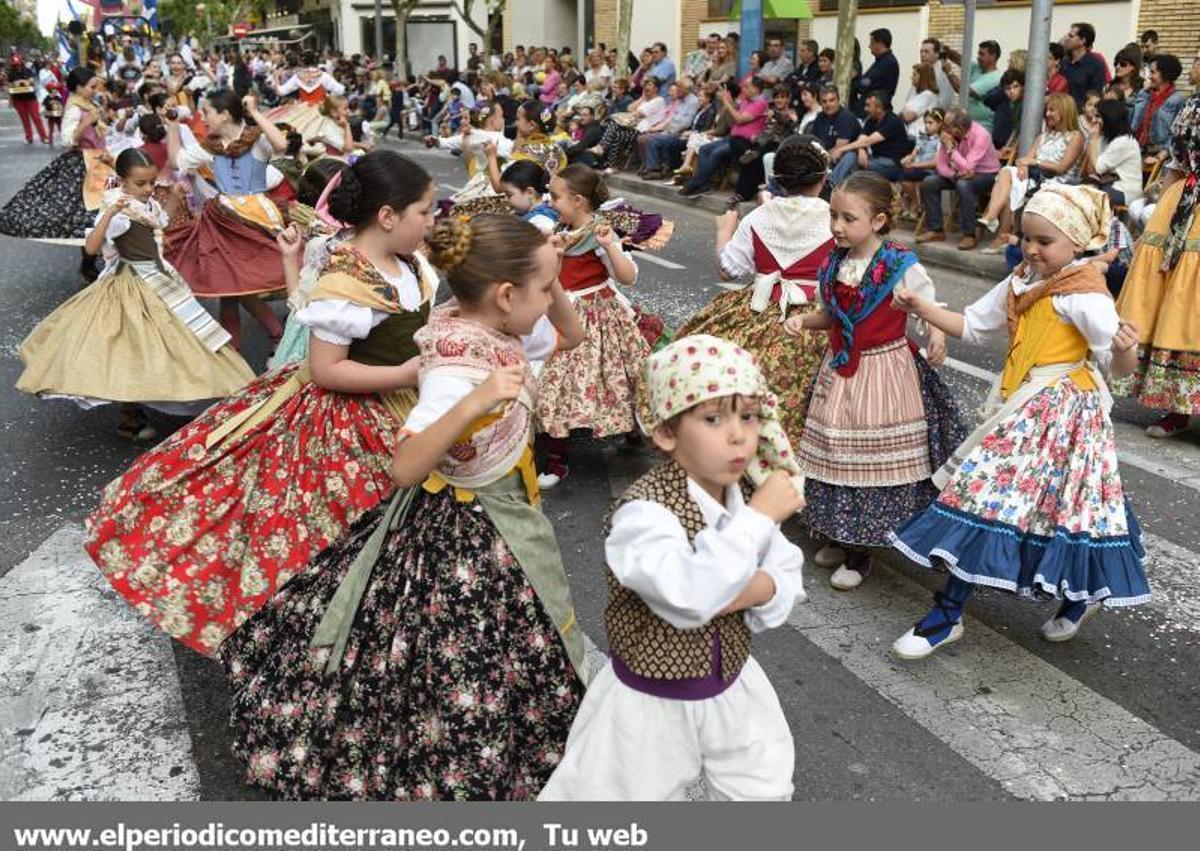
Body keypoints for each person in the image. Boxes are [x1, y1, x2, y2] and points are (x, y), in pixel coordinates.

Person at [221, 215, 589, 800]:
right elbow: (406, 466)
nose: (550, 302)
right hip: (468, 531)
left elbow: (569, 336)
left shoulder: (488, 323)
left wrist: (549, 273)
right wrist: (473, 405)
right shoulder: (460, 369)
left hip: (501, 506)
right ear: (505, 295)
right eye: (544, 290)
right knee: (464, 654)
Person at [83, 152, 439, 657]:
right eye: (425, 211)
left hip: (405, 401)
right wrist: (407, 372)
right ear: (388, 216)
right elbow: (326, 369)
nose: (432, 221)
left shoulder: (411, 263)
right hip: (349, 416)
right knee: (311, 522)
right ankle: (314, 629)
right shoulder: (349, 280)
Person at [539, 335, 805, 801]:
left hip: (732, 681)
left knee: (763, 788)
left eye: (748, 416)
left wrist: (750, 586)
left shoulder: (738, 494)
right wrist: (759, 524)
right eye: (712, 418)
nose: (739, 434)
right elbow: (688, 597)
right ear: (665, 433)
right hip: (649, 701)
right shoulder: (642, 514)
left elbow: (784, 573)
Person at [889, 184, 1149, 658]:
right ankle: (950, 612)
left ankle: (1071, 594)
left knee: (1064, 505)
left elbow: (1120, 367)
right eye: (1026, 237)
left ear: (1075, 242)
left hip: (1066, 411)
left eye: (1044, 241)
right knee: (1005, 500)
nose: (1030, 249)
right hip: (1021, 405)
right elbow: (973, 325)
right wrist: (923, 309)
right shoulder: (1020, 280)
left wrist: (1126, 346)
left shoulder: (1085, 293)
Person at [780, 172, 962, 588]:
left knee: (869, 462)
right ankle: (840, 535)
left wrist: (936, 335)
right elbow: (830, 315)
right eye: (833, 216)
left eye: (848, 218)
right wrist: (804, 321)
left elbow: (926, 306)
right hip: (840, 369)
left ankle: (862, 553)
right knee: (834, 451)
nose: (837, 227)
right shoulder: (833, 263)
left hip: (883, 371)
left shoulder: (899, 264)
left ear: (878, 221)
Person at [15, 147, 253, 441]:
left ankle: (183, 391)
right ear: (123, 180)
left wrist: (175, 200)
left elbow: (158, 225)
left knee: (178, 338)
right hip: (131, 283)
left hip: (159, 278)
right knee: (133, 346)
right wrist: (109, 214)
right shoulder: (118, 208)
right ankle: (130, 413)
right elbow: (91, 248)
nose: (148, 188)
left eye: (151, 182)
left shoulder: (146, 203)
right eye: (141, 183)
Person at [676, 136, 835, 450]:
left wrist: (723, 231)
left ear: (776, 179)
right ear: (824, 178)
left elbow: (728, 270)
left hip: (761, 309)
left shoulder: (758, 217)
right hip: (817, 318)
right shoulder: (835, 217)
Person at [536, 165, 653, 486]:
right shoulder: (559, 227)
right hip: (560, 310)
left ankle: (632, 427)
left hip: (596, 314)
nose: (549, 199)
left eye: (555, 195)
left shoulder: (598, 232)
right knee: (557, 382)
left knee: (615, 375)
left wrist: (612, 245)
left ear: (577, 200)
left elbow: (627, 277)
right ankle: (557, 450)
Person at [163, 91, 289, 348]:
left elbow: (281, 145)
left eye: (207, 112)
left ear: (225, 114)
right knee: (228, 289)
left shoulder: (255, 140)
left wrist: (254, 113)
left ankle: (267, 338)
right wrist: (173, 127)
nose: (203, 119)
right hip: (222, 220)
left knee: (236, 288)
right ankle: (248, 347)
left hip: (254, 219)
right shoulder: (210, 146)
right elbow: (177, 162)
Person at [1114, 75, 1200, 440]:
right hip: (1182, 204)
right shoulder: (1191, 107)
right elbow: (1176, 165)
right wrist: (1156, 209)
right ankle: (1177, 407)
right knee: (1176, 300)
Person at [0, 66, 114, 246]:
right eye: (92, 87)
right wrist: (85, 123)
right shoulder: (75, 109)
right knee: (89, 213)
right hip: (83, 164)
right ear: (78, 88)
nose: (95, 91)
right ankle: (89, 258)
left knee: (105, 208)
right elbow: (67, 140)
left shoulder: (89, 105)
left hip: (101, 161)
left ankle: (97, 254)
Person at [977, 92, 1084, 253]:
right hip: (1037, 179)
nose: (1047, 114)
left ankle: (997, 229)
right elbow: (1023, 159)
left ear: (1064, 110)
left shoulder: (1075, 136)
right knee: (1008, 174)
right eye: (1047, 110)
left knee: (1010, 186)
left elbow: (1062, 168)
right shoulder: (1044, 136)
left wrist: (1034, 162)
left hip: (1059, 184)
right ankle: (993, 220)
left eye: (1052, 110)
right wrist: (1024, 166)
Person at [917, 108, 1001, 250]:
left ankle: (969, 234)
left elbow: (968, 168)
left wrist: (951, 149)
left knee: (963, 185)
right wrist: (953, 175)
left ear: (959, 128)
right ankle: (936, 230)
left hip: (987, 174)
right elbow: (941, 165)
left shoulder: (981, 135)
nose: (944, 129)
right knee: (929, 182)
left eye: (948, 126)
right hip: (958, 174)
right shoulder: (949, 135)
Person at [680, 76, 768, 197]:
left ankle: (697, 183)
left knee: (716, 153)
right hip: (732, 138)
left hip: (745, 143)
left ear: (756, 89)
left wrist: (727, 103)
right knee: (704, 149)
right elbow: (734, 119)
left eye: (747, 86)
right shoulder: (746, 101)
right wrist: (730, 102)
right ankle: (703, 183)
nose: (743, 89)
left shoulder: (760, 103)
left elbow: (740, 119)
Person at [828, 91, 910, 186]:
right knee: (851, 155)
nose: (865, 109)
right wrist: (861, 150)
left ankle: (838, 189)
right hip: (876, 159)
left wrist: (841, 149)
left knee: (854, 166)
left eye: (868, 106)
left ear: (879, 108)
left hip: (892, 164)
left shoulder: (892, 121)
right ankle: (831, 184)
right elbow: (862, 139)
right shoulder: (871, 120)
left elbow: (868, 141)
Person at [1084, 98, 1143, 208]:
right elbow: (1090, 170)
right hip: (1106, 184)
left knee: (1086, 198)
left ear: (1109, 118)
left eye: (1098, 116)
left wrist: (1093, 141)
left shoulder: (1124, 141)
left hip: (1124, 190)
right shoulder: (1103, 138)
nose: (1093, 120)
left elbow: (1097, 168)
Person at [1131, 54, 1185, 154]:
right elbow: (1134, 125)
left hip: (1160, 156)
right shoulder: (1146, 95)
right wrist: (1143, 93)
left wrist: (1165, 152)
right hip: (1138, 152)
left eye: (1153, 72)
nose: (1149, 77)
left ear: (1165, 74)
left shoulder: (1177, 100)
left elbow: (1179, 135)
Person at [898, 108, 944, 221]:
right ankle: (915, 200)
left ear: (940, 124)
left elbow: (935, 162)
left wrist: (914, 165)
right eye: (925, 122)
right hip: (917, 168)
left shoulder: (941, 140)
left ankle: (915, 202)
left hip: (929, 170)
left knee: (906, 175)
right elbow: (914, 153)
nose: (927, 125)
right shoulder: (922, 137)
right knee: (900, 172)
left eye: (930, 123)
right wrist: (907, 159)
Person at [497, 160, 559, 233]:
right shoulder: (526, 212)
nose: (506, 200)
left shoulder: (540, 223)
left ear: (530, 193)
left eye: (509, 195)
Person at [1061, 23, 1107, 107]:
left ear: (1083, 40)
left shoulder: (1095, 65)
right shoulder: (1064, 63)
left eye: (1071, 36)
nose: (1066, 38)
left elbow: (1094, 97)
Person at [854, 29, 899, 114]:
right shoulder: (880, 61)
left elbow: (864, 84)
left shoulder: (887, 63)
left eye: (872, 43)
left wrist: (855, 80)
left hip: (875, 111)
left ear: (880, 44)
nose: (869, 46)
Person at [7, 54, 49, 144]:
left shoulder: (28, 71)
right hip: (18, 100)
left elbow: (34, 83)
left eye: (18, 64)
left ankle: (44, 137)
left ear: (21, 63)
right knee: (24, 119)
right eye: (15, 65)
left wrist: (30, 81)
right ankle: (29, 137)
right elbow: (10, 87)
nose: (17, 66)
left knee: (36, 117)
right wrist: (10, 101)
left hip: (31, 98)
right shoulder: (11, 73)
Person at [809, 85, 860, 156]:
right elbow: (813, 141)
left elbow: (838, 148)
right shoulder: (820, 117)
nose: (828, 104)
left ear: (838, 100)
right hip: (823, 155)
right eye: (824, 101)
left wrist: (819, 160)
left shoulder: (846, 117)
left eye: (832, 100)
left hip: (843, 157)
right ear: (820, 103)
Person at [901, 63, 939, 140]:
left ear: (923, 77)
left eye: (914, 75)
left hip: (917, 136)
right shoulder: (916, 93)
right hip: (909, 133)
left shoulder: (928, 95)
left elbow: (908, 117)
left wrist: (897, 117)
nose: (911, 77)